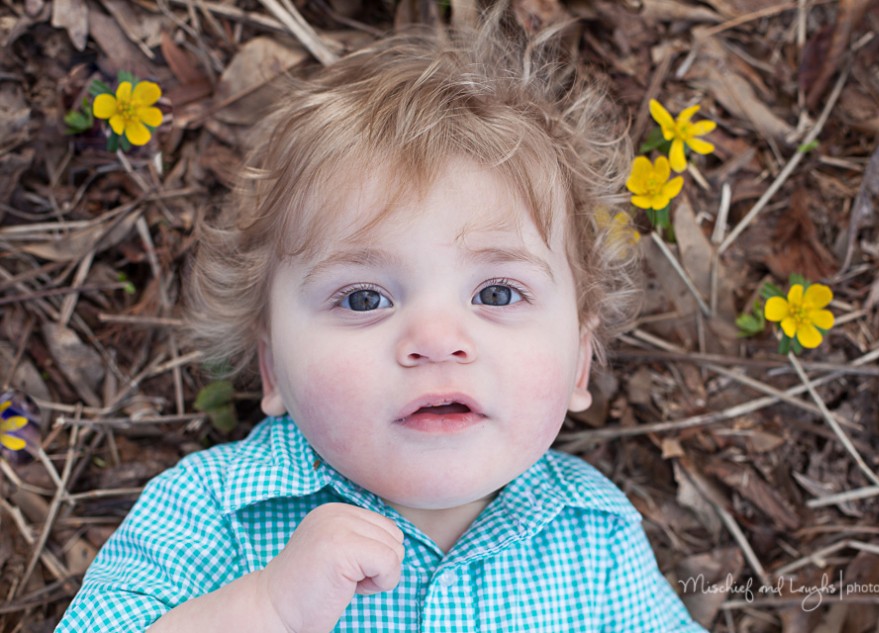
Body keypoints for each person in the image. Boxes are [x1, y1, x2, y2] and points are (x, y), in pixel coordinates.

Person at [57, 7, 704, 632]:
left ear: (580, 359)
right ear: (272, 365)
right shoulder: (213, 513)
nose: (437, 340)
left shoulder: (595, 537)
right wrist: (267, 610)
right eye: (364, 298)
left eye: (499, 293)